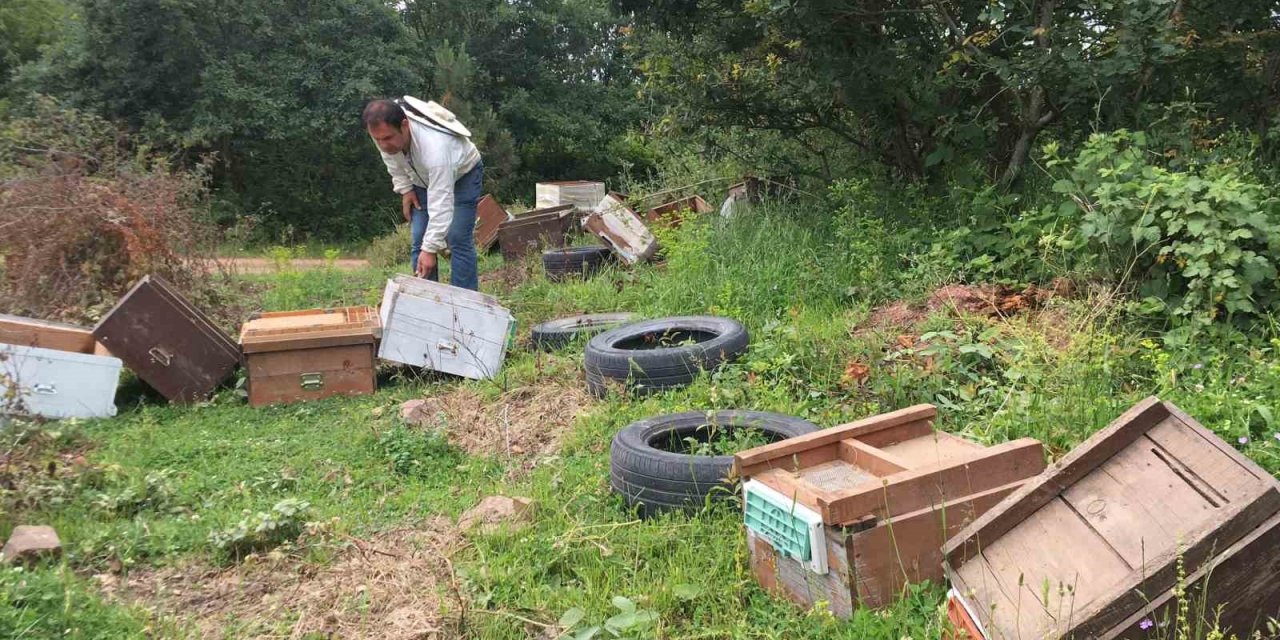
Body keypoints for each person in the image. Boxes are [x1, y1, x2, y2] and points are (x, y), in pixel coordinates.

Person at [362, 97, 483, 290]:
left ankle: (464, 302)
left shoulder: (436, 148)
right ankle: (424, 299)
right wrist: (406, 189)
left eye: (387, 138)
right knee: (419, 238)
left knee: (457, 238)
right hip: (420, 177)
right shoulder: (383, 132)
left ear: (405, 125)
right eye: (377, 140)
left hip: (463, 175)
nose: (383, 145)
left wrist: (430, 249)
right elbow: (392, 160)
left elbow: (441, 202)